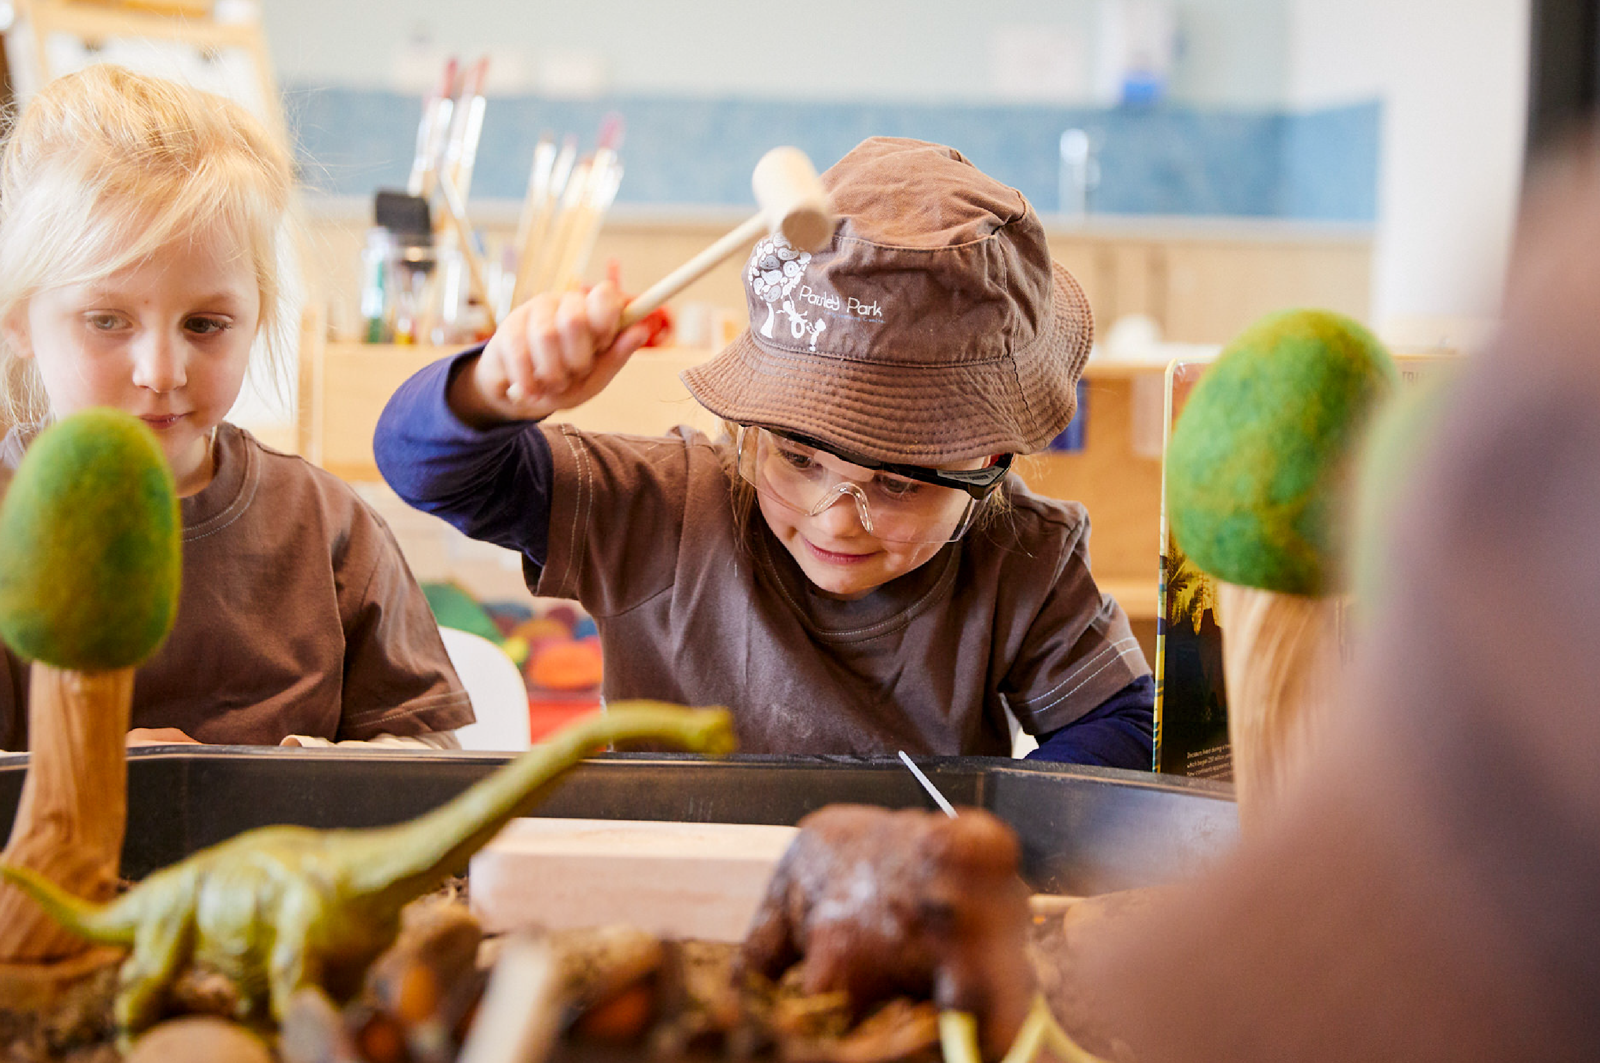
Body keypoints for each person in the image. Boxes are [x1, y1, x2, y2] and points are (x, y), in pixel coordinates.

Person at [376, 137, 1151, 764]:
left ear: (988, 466)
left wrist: (987, 832)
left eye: (896, 486)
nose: (835, 520)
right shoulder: (665, 510)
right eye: (800, 461)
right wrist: (491, 391)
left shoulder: (1027, 560)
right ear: (746, 431)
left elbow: (1124, 722)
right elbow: (424, 465)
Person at [0, 66, 472, 750]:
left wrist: (277, 782)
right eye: (107, 320)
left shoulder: (329, 531)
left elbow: (431, 774)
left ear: (257, 317)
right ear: (19, 319)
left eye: (205, 324)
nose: (161, 372)